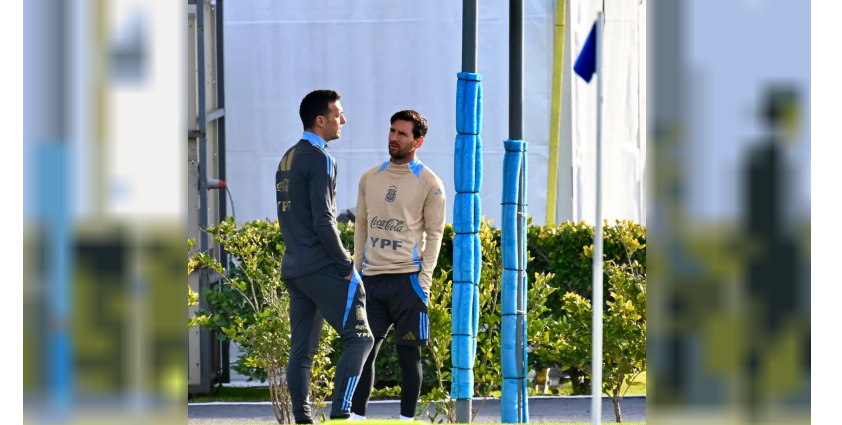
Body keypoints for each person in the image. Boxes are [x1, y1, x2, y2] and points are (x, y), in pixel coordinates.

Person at [276, 89, 374, 423]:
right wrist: (346, 265)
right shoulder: (321, 158)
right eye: (338, 114)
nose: (343, 120)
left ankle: (303, 419)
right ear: (321, 120)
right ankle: (342, 414)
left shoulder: (288, 157)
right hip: (319, 266)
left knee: (302, 351)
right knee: (361, 338)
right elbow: (323, 221)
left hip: (295, 268)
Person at [349, 110, 447, 421]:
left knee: (409, 357)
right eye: (392, 131)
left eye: (402, 134)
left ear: (418, 141)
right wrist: (357, 272)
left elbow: (435, 234)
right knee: (363, 353)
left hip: (409, 282)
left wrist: (424, 281)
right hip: (372, 281)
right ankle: (357, 419)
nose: (393, 137)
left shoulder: (430, 183)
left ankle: (407, 420)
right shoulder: (370, 178)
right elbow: (361, 227)